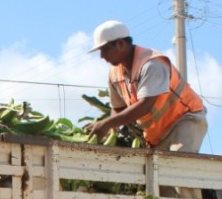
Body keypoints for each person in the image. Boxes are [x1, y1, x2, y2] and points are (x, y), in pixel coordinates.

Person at [85, 20, 208, 154]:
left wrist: (107, 124)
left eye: (105, 49)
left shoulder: (152, 63)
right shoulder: (115, 74)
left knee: (178, 165)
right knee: (158, 172)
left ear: (120, 43)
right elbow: (118, 109)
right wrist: (111, 129)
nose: (102, 56)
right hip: (158, 133)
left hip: (185, 119)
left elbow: (145, 105)